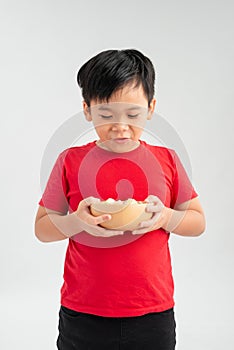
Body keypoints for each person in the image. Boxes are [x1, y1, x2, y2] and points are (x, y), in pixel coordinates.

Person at [35, 49, 206, 350]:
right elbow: (42, 228)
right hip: (83, 312)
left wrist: (166, 217)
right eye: (106, 115)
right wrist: (77, 221)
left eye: (133, 114)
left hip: (152, 312)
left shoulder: (166, 160)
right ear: (87, 110)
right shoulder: (70, 161)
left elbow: (197, 222)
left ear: (151, 108)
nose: (120, 126)